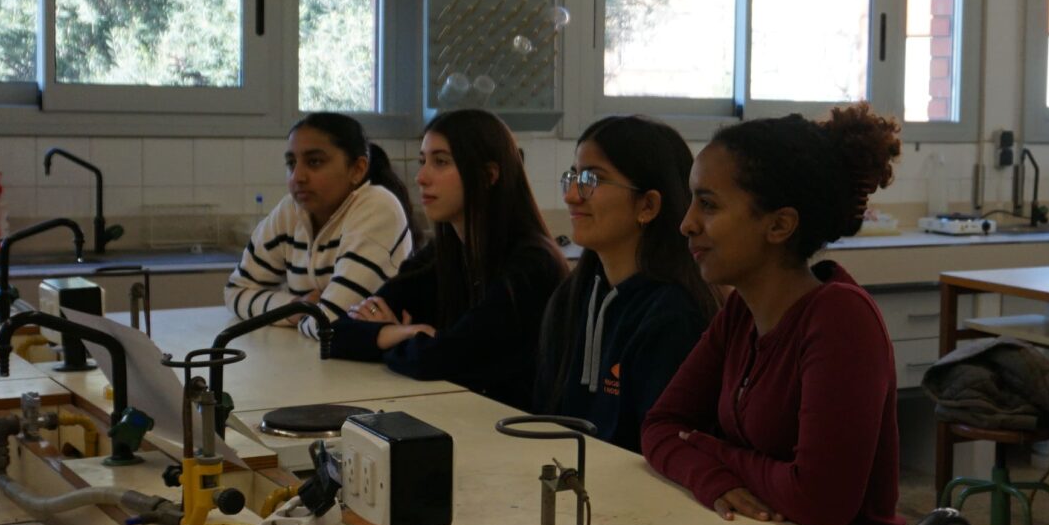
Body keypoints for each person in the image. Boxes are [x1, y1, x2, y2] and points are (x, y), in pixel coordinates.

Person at [643, 105, 905, 525]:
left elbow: (820, 503)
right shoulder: (741, 312)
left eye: (708, 205)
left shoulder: (841, 320)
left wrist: (710, 448)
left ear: (780, 225)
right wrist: (712, 478)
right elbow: (660, 426)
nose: (687, 223)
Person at [323, 109, 569, 407]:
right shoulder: (441, 255)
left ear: (488, 175)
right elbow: (335, 334)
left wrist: (392, 338)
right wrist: (408, 332)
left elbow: (439, 358)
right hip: (459, 415)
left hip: (517, 428)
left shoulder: (532, 265)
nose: (421, 178)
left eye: (440, 162)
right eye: (422, 161)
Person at [534, 116, 719, 449]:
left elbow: (661, 448)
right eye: (573, 177)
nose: (572, 195)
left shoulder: (674, 316)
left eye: (592, 179)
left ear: (647, 205)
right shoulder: (572, 296)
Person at [226, 112, 416, 334]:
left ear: (357, 169)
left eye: (314, 162)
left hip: (378, 357)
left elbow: (330, 325)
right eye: (291, 163)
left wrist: (304, 313)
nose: (297, 177)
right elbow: (235, 291)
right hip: (313, 352)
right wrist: (294, 308)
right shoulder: (290, 211)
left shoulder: (378, 207)